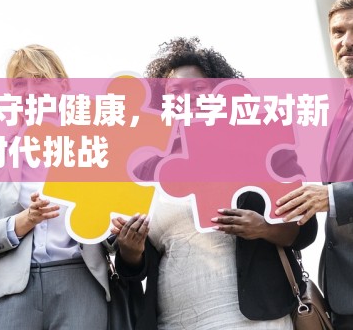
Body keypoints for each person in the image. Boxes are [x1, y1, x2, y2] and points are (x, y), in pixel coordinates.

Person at [113, 37, 318, 329]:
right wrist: (131, 251)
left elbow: (305, 228)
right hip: (174, 320)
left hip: (254, 320)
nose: (187, 98)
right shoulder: (148, 169)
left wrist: (263, 228)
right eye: (175, 92)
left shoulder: (262, 145)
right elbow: (134, 266)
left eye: (199, 88)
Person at [0, 44, 111, 330]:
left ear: (64, 85)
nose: (30, 91)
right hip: (13, 292)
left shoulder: (95, 149)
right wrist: (23, 222)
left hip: (80, 281)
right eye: (19, 83)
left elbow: (112, 231)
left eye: (41, 79)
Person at [276, 0, 353, 330]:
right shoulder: (345, 106)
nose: (347, 41)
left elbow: (335, 195)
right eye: (338, 32)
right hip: (344, 292)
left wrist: (331, 196)